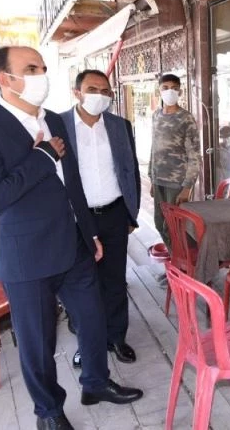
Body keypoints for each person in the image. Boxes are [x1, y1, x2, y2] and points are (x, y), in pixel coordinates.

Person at [0, 46, 143, 430]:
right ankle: (48, 411)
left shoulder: (54, 120)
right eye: (31, 68)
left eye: (42, 67)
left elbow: (71, 182)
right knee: (38, 341)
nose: (41, 75)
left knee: (92, 318)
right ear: (5, 79)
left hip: (73, 244)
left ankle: (95, 383)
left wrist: (89, 233)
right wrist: (42, 157)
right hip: (26, 256)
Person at [60, 69, 141, 369]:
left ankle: (116, 337)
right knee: (82, 286)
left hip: (114, 213)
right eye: (92, 89)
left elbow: (130, 170)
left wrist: (131, 213)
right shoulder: (59, 125)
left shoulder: (120, 126)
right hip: (77, 219)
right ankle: (87, 344)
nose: (100, 95)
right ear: (77, 92)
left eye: (105, 91)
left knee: (115, 280)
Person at [148, 73, 200, 245]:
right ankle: (175, 258)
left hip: (177, 183)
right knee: (159, 223)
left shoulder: (186, 118)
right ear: (159, 91)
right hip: (159, 180)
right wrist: (152, 178)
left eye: (174, 88)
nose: (170, 91)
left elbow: (194, 155)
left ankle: (183, 260)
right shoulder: (156, 116)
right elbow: (154, 148)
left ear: (180, 92)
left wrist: (187, 187)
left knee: (174, 227)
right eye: (165, 88)